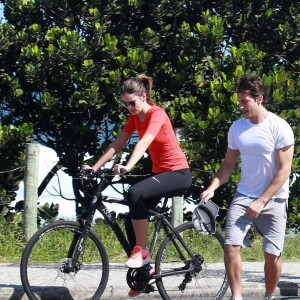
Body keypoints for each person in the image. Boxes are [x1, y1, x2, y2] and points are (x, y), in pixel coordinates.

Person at [84, 74, 192, 297]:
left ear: (143, 96)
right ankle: (145, 272)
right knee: (133, 211)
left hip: (179, 174)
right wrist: (94, 167)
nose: (129, 108)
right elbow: (118, 143)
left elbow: (144, 142)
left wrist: (128, 166)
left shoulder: (157, 114)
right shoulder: (135, 118)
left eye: (132, 103)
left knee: (136, 191)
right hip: (160, 173)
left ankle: (141, 252)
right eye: (125, 104)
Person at [200, 75, 294, 300]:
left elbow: (284, 171)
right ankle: (237, 297)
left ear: (259, 99)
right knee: (231, 245)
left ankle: (269, 296)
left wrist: (262, 201)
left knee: (272, 255)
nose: (241, 107)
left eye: (245, 102)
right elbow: (228, 164)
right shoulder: (237, 128)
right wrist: (213, 186)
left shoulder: (279, 126)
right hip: (244, 196)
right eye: (239, 102)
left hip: (274, 199)